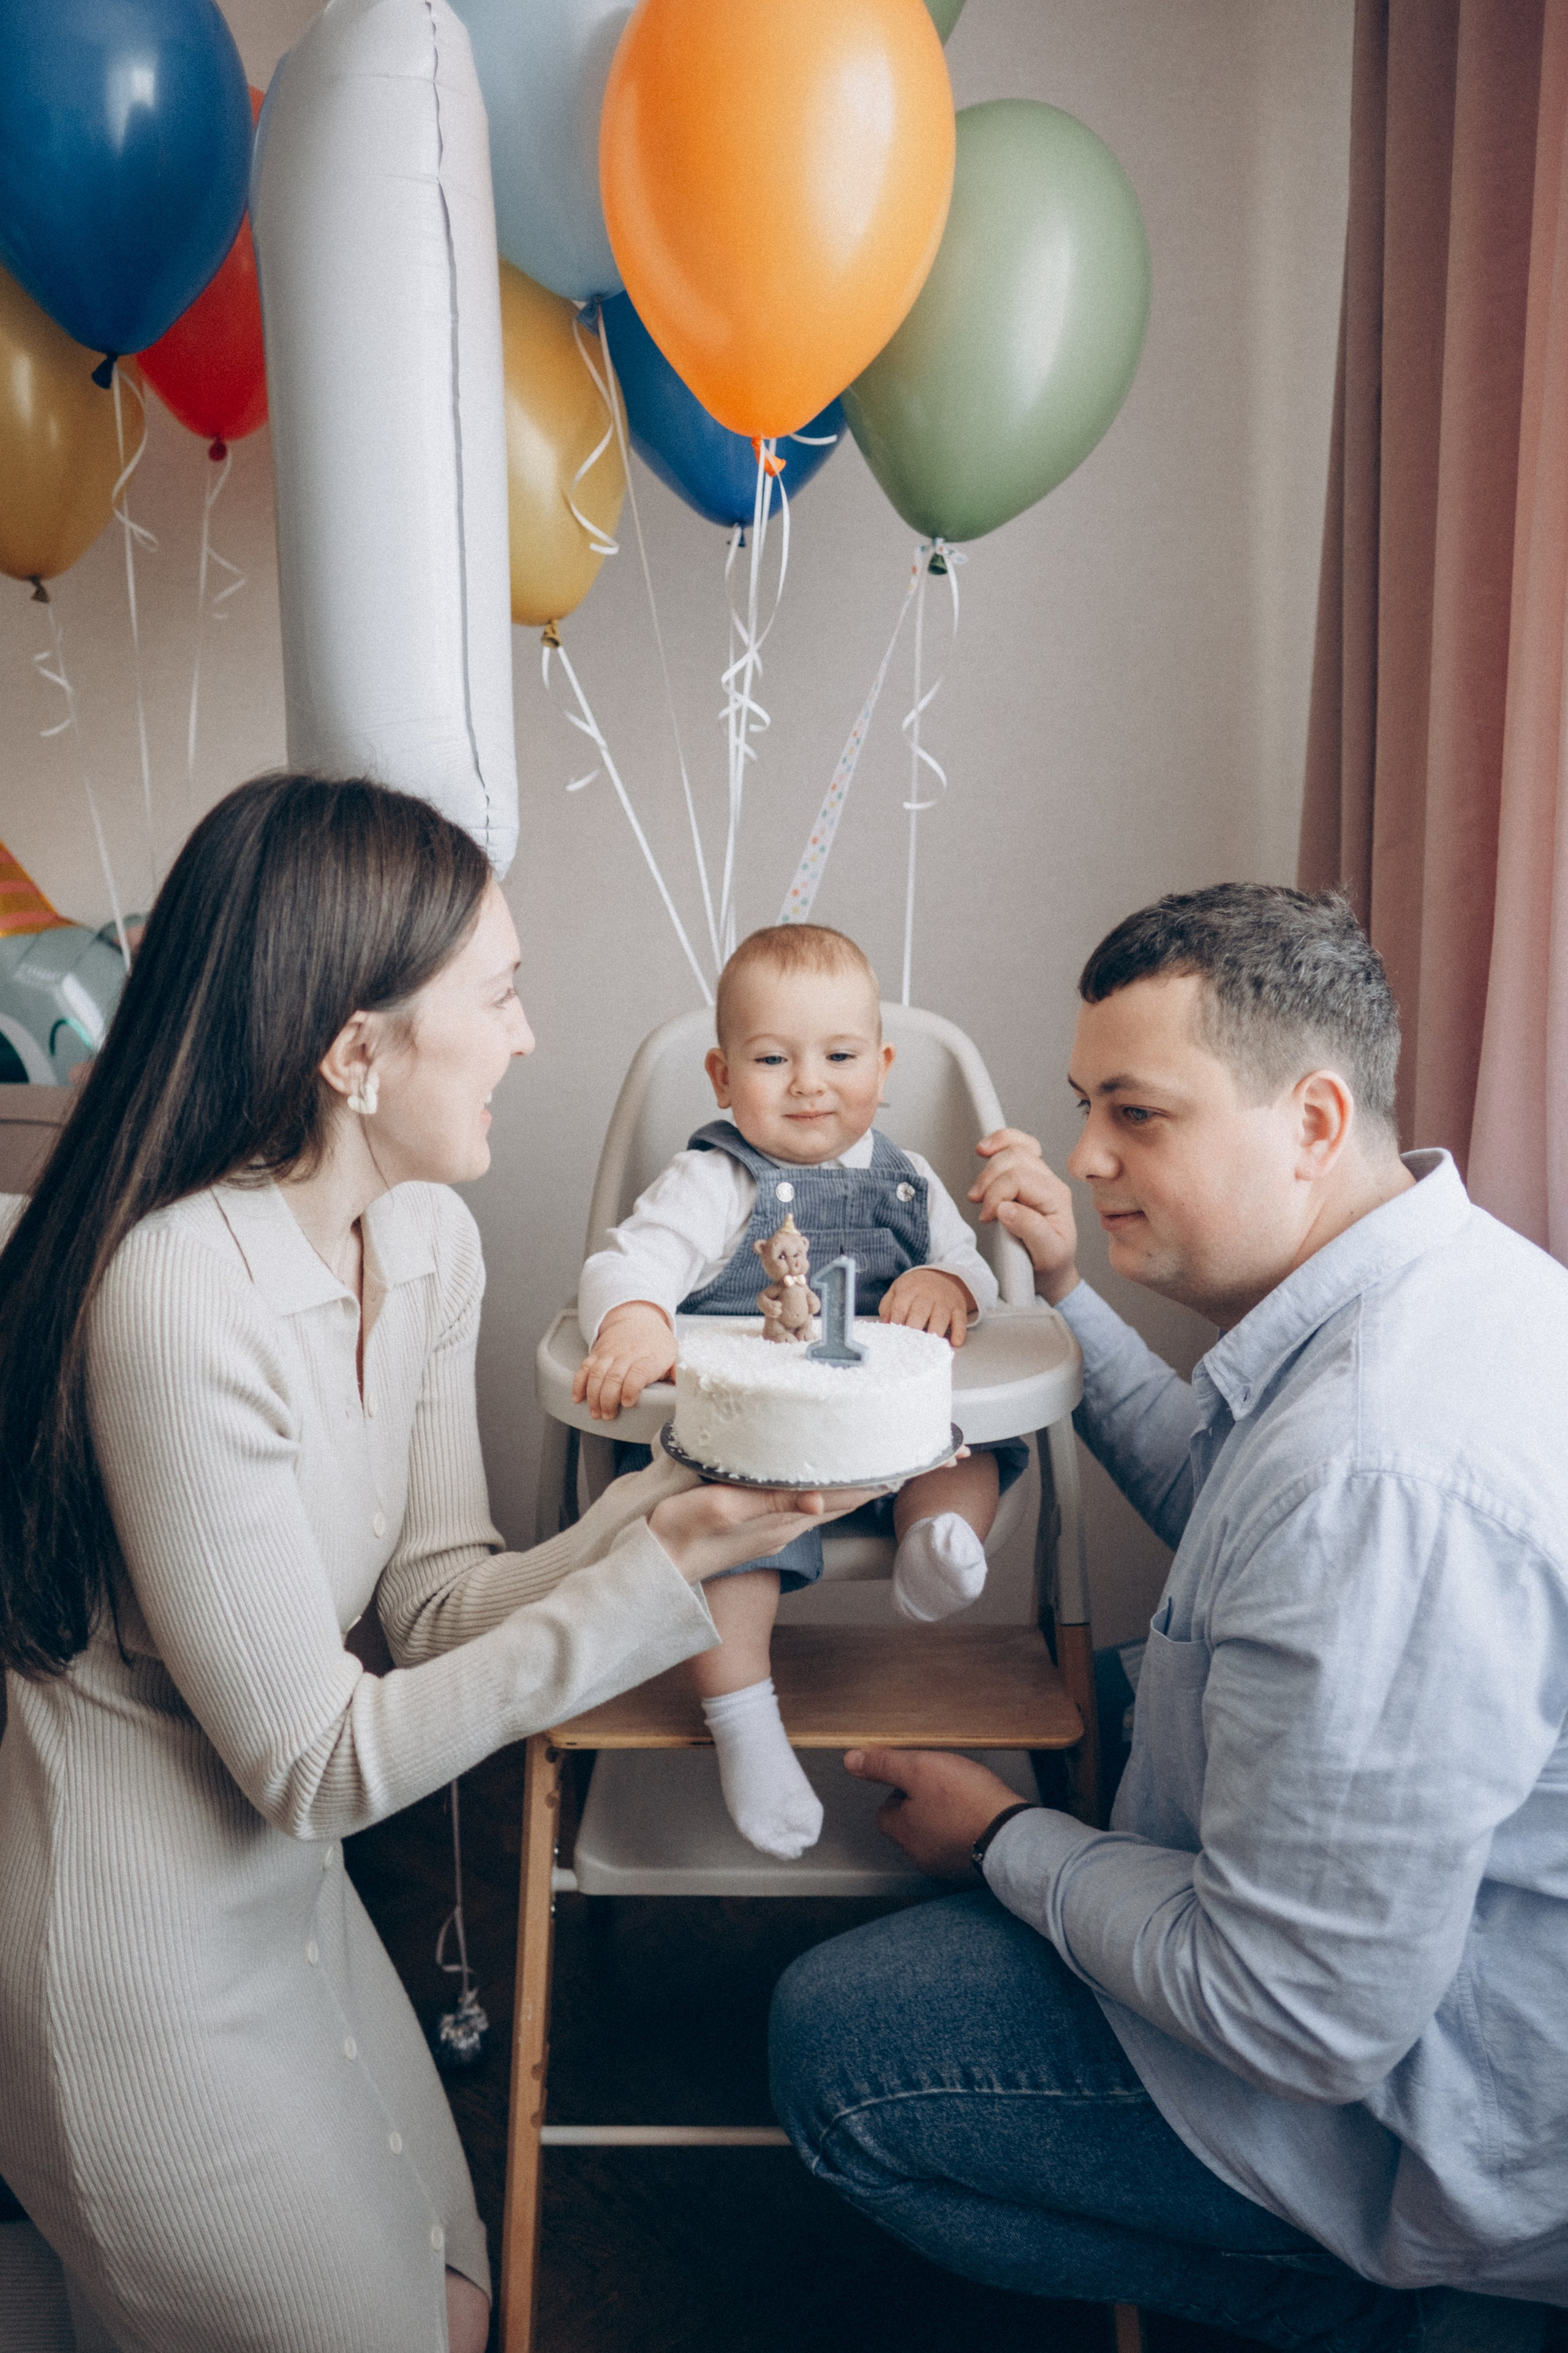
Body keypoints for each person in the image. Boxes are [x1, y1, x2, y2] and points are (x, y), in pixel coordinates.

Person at [0, 775, 865, 2353]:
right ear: (355, 1051)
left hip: (292, 1907)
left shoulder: (422, 1239)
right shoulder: (182, 1293)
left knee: (459, 2300)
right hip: (131, 1961)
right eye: (502, 993)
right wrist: (651, 1568)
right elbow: (318, 1761)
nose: (529, 1036)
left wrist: (677, 1498)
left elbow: (436, 1597)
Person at [769, 885, 1568, 2349]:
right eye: (1086, 1108)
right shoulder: (1435, 1287)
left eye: (1137, 1116)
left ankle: (1397, 2305)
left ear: (1313, 1123)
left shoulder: (1377, 1477)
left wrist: (1005, 1841)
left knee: (842, 2048)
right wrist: (1066, 1288)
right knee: (1131, 1682)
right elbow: (1227, 1501)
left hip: (1435, 2106)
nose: (1085, 1157)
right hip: (1417, 1946)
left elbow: (1302, 2017)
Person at [570, 923, 1027, 1859]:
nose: (809, 1082)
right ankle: (745, 1721)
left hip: (882, 1440)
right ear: (723, 1076)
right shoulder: (714, 1178)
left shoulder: (911, 1182)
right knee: (724, 1543)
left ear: (884, 1066)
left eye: (841, 1055)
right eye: (773, 1057)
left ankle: (935, 1545)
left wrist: (949, 1287)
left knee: (970, 1450)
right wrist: (636, 1319)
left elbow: (976, 1274)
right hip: (748, 1454)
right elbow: (628, 1263)